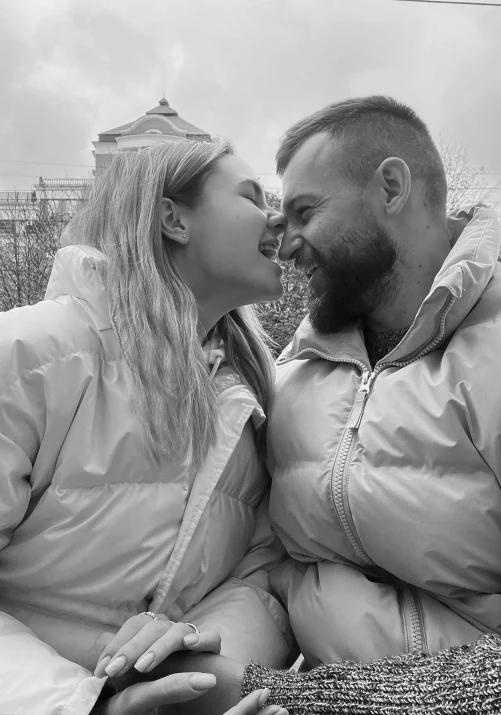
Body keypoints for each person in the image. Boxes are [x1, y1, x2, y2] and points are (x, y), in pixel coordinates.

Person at [231, 95, 501, 711]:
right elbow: (266, 570)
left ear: (391, 186)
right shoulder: (294, 370)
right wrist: (199, 647)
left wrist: (281, 696)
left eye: (306, 212)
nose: (287, 245)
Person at [0, 139, 292, 715]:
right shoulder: (29, 356)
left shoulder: (247, 396)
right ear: (172, 219)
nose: (277, 217)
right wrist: (84, 705)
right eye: (251, 196)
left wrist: (193, 668)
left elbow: (259, 576)